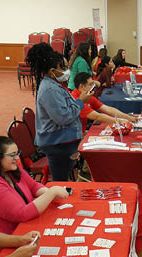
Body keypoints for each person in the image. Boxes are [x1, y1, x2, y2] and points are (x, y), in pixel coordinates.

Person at [0, 137, 69, 257]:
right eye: (12, 155)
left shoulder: (11, 169)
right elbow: (21, 213)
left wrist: (48, 192)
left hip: (21, 232)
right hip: (0, 246)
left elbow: (33, 186)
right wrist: (52, 193)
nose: (17, 158)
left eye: (17, 153)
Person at [26, 43, 92, 181]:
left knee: (63, 179)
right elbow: (64, 117)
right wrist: (80, 101)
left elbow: (66, 108)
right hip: (58, 144)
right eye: (63, 67)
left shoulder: (55, 86)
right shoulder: (49, 89)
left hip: (63, 142)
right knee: (61, 181)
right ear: (52, 71)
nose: (67, 71)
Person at [72, 72, 136, 133]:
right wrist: (120, 121)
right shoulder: (76, 99)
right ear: (82, 86)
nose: (93, 87)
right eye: (90, 84)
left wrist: (127, 117)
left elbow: (107, 109)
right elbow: (97, 116)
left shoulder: (87, 95)